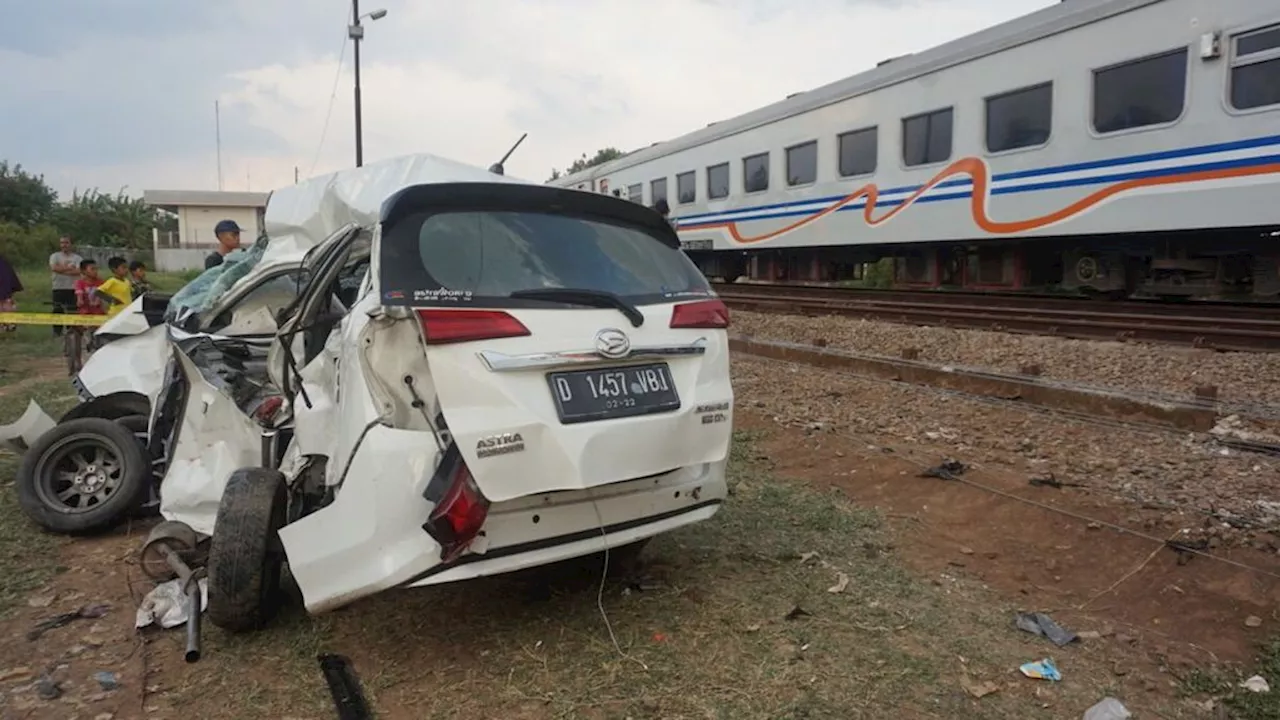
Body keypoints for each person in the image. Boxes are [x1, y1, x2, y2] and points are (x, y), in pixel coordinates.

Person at [49, 236, 83, 336]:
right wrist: (69, 268)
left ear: (71, 244)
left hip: (73, 288)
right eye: (62, 243)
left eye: (66, 243)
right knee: (57, 309)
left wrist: (62, 270)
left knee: (72, 309)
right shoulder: (54, 256)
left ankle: (71, 330)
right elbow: (54, 268)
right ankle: (57, 331)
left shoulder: (77, 258)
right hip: (58, 287)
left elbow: (79, 271)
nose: (64, 245)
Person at [0, 253, 22, 334]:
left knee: (5, 302)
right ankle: (5, 325)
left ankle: (9, 324)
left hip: (4, 286)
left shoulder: (3, 263)